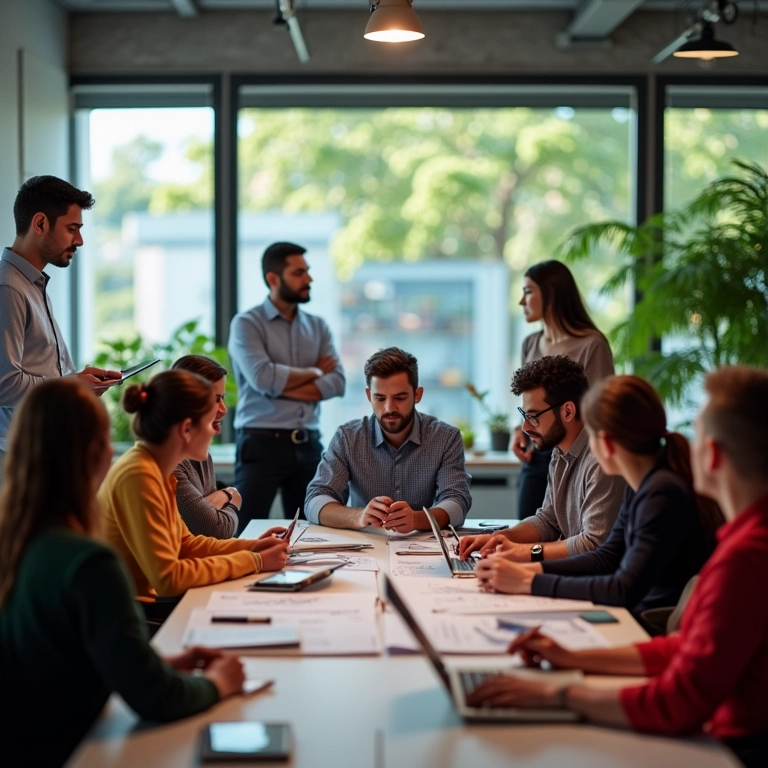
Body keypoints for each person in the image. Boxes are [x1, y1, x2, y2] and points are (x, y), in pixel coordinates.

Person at [466, 366, 768, 768]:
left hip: (731, 753)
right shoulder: (738, 541)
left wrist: (555, 696)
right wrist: (570, 656)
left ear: (711, 455)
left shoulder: (744, 558)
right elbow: (683, 649)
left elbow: (678, 701)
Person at [0, 378, 247, 767]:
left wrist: (155, 664)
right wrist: (219, 683)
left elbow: (65, 663)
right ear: (98, 454)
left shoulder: (19, 543)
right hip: (73, 750)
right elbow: (155, 699)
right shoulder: (89, 563)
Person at [475, 375, 722, 624]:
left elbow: (622, 589)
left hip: (649, 622)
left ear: (605, 442)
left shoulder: (661, 492)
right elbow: (606, 557)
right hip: (637, 613)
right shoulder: (644, 485)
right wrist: (528, 569)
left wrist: (529, 580)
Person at [99, 370, 288, 621]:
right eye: (211, 423)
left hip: (139, 609)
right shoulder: (139, 475)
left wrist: (253, 546)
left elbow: (186, 545)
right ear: (187, 428)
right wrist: (254, 561)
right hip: (126, 617)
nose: (215, 432)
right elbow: (169, 579)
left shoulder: (155, 468)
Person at [0, 175, 121, 483]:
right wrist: (71, 385)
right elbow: (5, 383)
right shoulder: (9, 288)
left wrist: (81, 380)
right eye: (72, 229)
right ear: (40, 224)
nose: (79, 241)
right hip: (16, 459)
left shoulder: (32, 284)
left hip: (40, 452)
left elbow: (40, 371)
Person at [460, 355, 624, 562]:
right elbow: (549, 520)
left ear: (568, 411)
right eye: (525, 415)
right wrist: (500, 538)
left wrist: (525, 552)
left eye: (534, 416)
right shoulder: (559, 451)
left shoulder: (601, 459)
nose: (525, 428)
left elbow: (594, 544)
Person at [228, 241, 345, 531]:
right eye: (299, 272)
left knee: (315, 532)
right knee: (244, 530)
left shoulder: (319, 327)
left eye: (307, 271)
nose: (309, 279)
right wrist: (316, 371)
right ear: (273, 278)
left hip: (309, 444)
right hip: (260, 444)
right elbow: (262, 378)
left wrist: (278, 384)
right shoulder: (247, 324)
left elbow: (337, 383)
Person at [305, 347, 471, 533]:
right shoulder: (348, 437)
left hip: (420, 548)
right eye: (380, 398)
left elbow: (457, 502)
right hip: (364, 549)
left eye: (400, 398)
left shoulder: (446, 438)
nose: (389, 408)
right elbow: (315, 500)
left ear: (418, 395)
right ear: (369, 396)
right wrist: (359, 516)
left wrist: (416, 519)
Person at [514, 260, 614, 518]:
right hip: (537, 455)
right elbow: (531, 401)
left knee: (576, 533)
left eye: (527, 291)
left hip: (578, 457)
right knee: (532, 524)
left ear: (551, 293)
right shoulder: (530, 343)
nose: (521, 302)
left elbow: (602, 412)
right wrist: (519, 429)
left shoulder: (592, 344)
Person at [171, 354, 250, 538]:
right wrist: (232, 497)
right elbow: (215, 529)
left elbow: (213, 528)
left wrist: (223, 499)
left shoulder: (202, 455)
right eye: (215, 399)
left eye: (222, 398)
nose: (223, 409)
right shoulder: (170, 464)